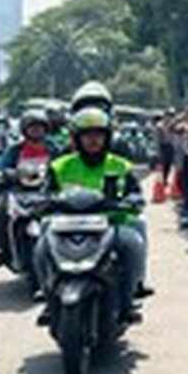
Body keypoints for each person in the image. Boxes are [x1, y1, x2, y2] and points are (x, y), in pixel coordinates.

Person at [36, 107, 146, 326]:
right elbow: (45, 192)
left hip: (110, 224)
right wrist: (41, 202)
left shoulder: (121, 165)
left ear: (107, 137)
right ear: (77, 138)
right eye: (87, 135)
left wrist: (133, 200)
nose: (93, 140)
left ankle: (127, 301)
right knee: (40, 247)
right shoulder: (60, 166)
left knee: (133, 242)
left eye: (99, 135)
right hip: (65, 225)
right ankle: (49, 296)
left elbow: (135, 192)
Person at [0, 109, 59, 269]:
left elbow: (63, 165)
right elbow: (2, 167)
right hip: (18, 191)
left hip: (46, 190)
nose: (36, 130)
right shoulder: (14, 150)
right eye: (32, 127)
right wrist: (6, 174)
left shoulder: (53, 148)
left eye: (40, 127)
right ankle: (4, 250)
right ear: (24, 129)